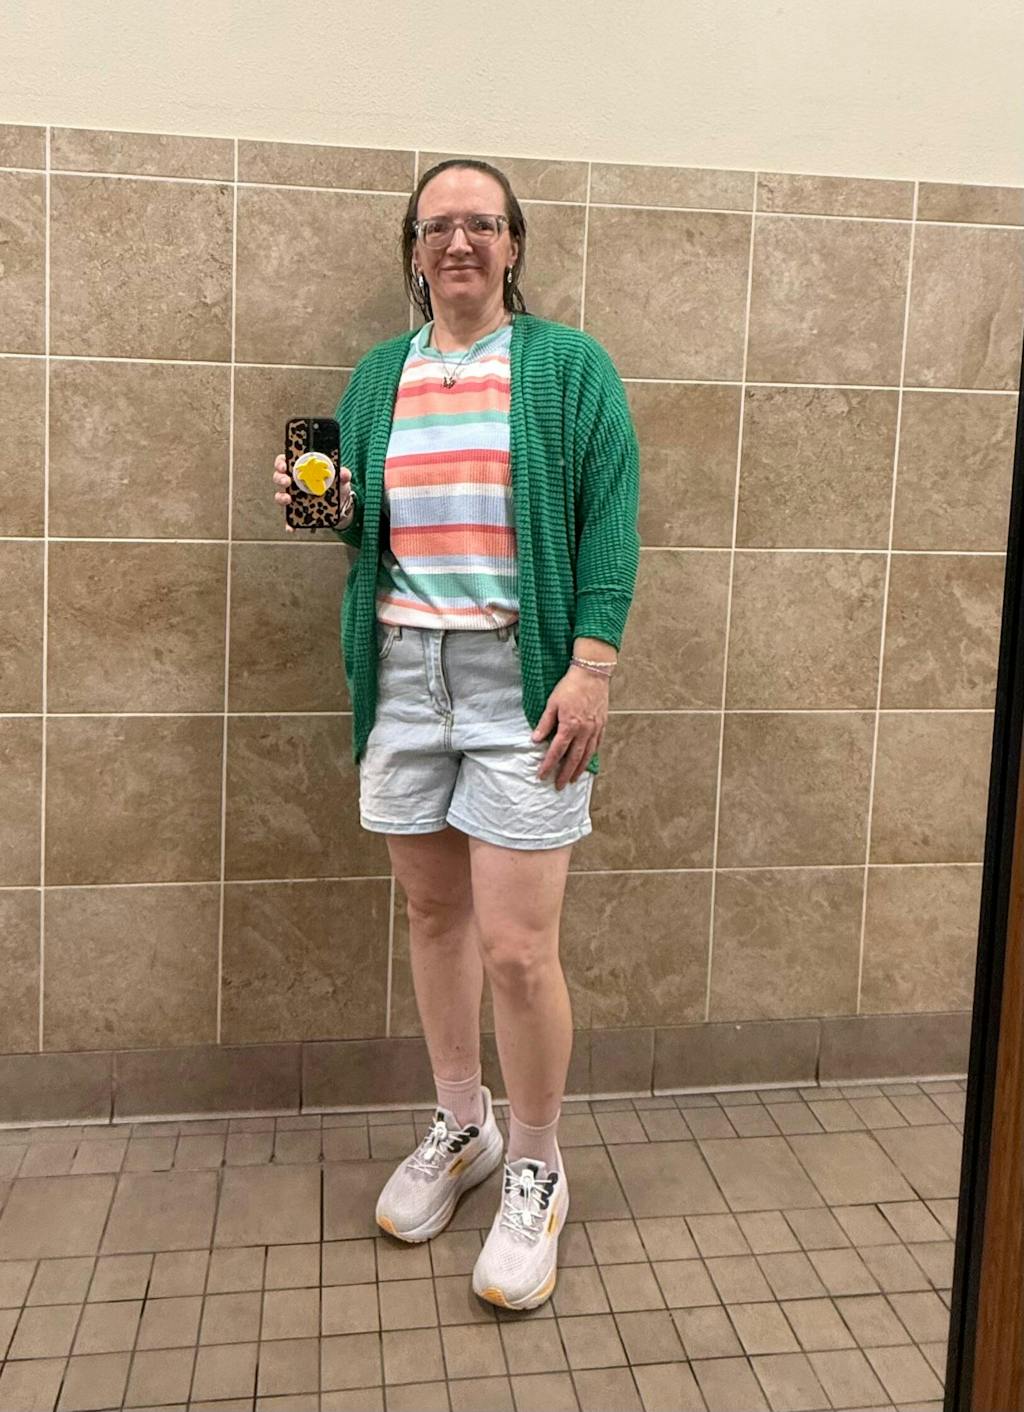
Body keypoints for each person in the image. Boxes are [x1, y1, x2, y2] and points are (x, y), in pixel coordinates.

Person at [272, 158, 640, 1310]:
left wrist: (592, 663)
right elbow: (372, 531)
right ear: (414, 248)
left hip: (517, 683)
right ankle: (461, 1122)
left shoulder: (566, 367)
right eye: (438, 226)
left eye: (482, 222)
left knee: (518, 948)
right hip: (401, 675)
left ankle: (536, 1163)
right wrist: (334, 509)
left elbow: (610, 514)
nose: (460, 242)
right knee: (433, 916)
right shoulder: (379, 375)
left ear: (514, 244)